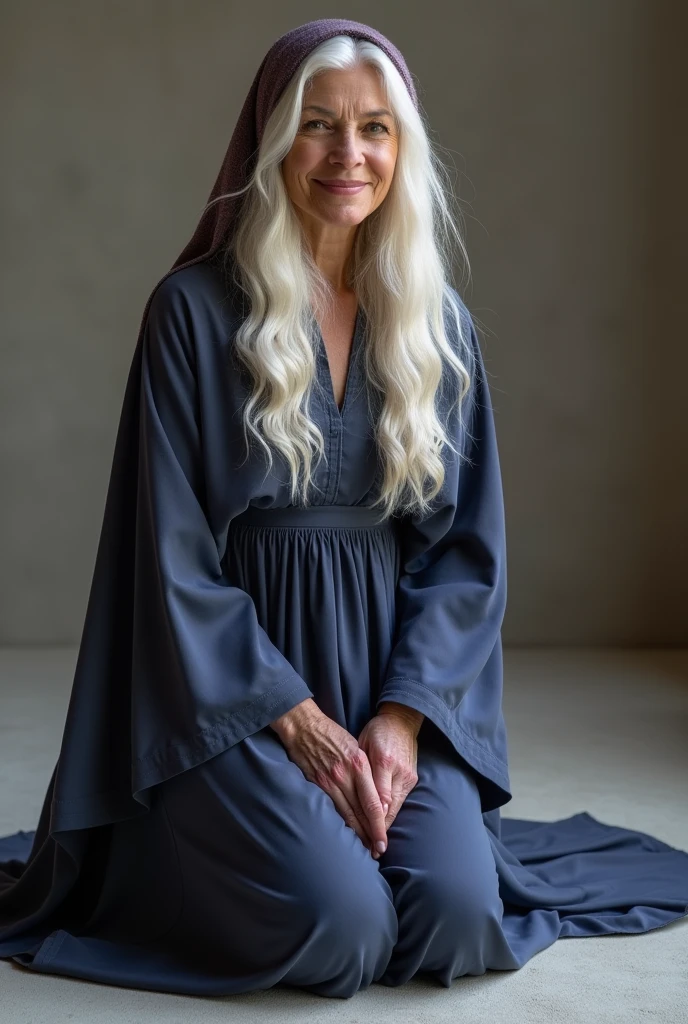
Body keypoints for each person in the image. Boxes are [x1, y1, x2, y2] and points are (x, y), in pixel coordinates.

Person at [1, 17, 686, 1001]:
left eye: (374, 128)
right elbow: (169, 560)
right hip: (229, 701)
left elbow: (464, 553)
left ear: (402, 149)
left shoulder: (435, 323)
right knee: (340, 931)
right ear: (274, 140)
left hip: (388, 678)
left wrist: (400, 721)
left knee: (453, 919)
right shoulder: (191, 313)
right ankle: (194, 849)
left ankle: (364, 807)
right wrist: (301, 722)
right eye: (318, 125)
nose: (347, 154)